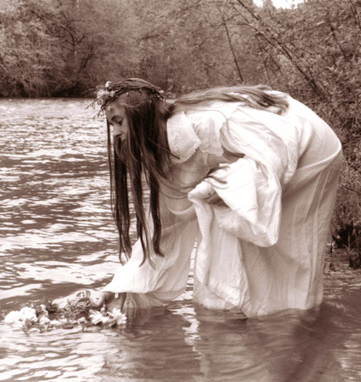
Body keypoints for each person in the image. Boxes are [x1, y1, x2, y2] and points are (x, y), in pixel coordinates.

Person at [94, 78, 342, 318]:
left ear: (142, 117)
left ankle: (290, 318)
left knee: (282, 246)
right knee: (221, 205)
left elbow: (276, 148)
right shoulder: (164, 148)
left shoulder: (207, 122)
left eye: (118, 122)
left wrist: (229, 185)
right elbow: (163, 227)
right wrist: (120, 288)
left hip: (309, 148)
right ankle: (256, 320)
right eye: (112, 125)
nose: (115, 133)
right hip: (284, 148)